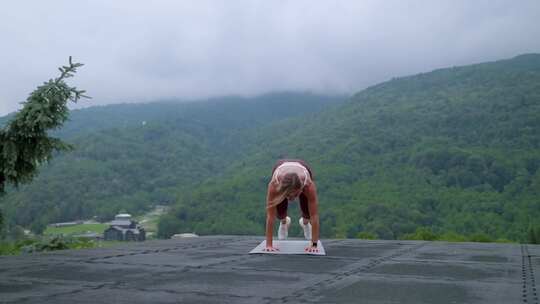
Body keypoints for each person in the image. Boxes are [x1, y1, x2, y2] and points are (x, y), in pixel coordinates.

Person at [264, 159, 320, 253]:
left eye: (295, 195)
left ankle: (305, 223)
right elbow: (270, 216)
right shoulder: (274, 184)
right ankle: (284, 222)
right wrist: (269, 245)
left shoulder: (308, 185)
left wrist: (314, 244)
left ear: (301, 189)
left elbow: (315, 215)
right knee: (279, 209)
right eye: (288, 195)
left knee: (308, 211)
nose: (292, 199)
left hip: (303, 168)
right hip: (280, 169)